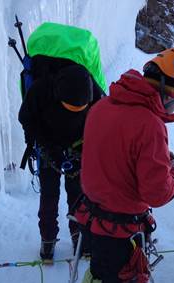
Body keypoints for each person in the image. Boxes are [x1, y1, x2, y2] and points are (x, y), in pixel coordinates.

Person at [69, 48, 174, 283]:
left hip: (91, 216)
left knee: (98, 271)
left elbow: (114, 151)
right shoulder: (150, 125)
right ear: (168, 90)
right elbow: (157, 192)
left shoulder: (104, 105)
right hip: (121, 225)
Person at [18, 64, 102, 263]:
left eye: (79, 109)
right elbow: (27, 119)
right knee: (50, 194)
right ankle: (48, 239)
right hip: (49, 147)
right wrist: (48, 148)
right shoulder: (41, 90)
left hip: (78, 148)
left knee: (77, 195)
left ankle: (79, 236)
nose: (74, 112)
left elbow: (102, 120)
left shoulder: (95, 93)